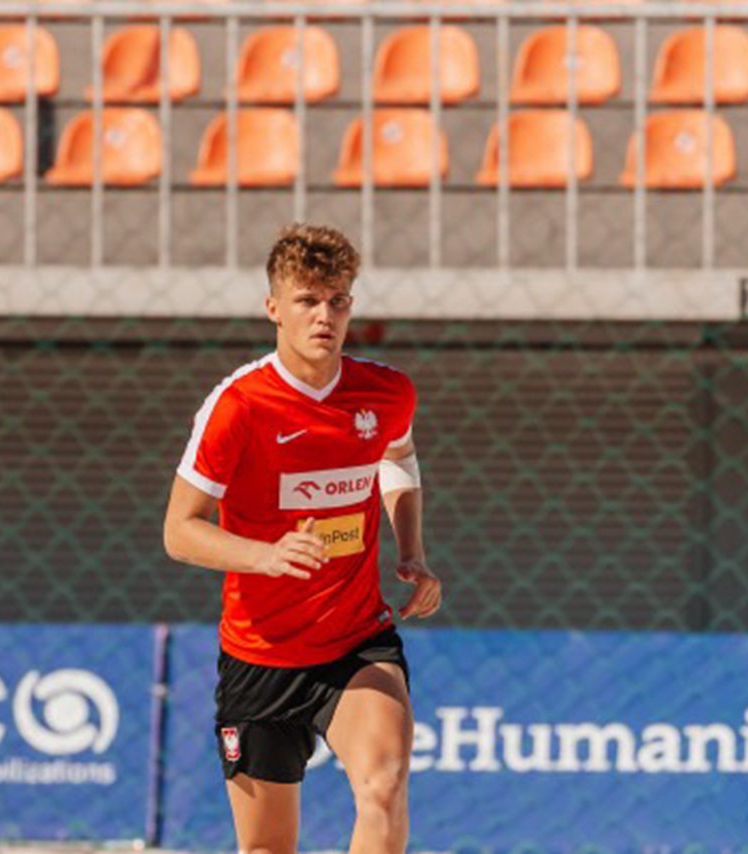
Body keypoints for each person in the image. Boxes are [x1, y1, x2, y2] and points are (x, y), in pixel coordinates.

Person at [163, 223, 442, 854]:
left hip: (355, 641)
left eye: (338, 300)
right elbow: (179, 531)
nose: (325, 315)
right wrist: (265, 555)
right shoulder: (239, 406)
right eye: (308, 301)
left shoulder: (387, 391)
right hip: (260, 654)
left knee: (385, 786)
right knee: (267, 848)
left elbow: (398, 457)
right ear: (273, 309)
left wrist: (413, 550)